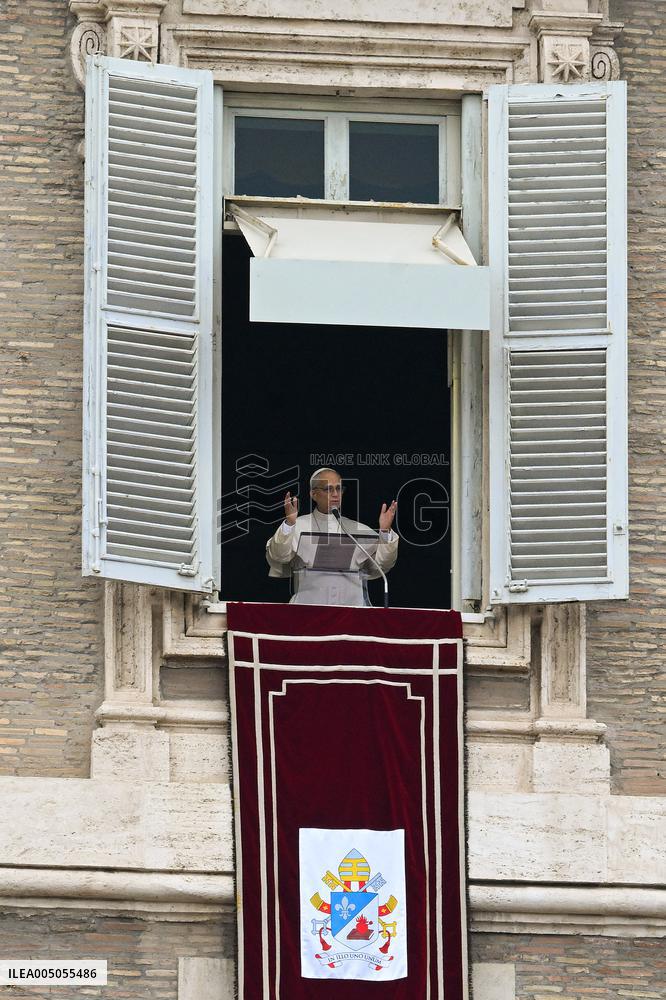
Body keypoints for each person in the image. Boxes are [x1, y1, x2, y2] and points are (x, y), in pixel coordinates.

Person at [266, 467, 399, 606]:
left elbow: (382, 564)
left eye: (339, 488)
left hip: (352, 610)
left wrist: (385, 531)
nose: (335, 494)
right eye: (328, 489)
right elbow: (278, 556)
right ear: (313, 494)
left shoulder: (359, 529)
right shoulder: (298, 526)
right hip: (307, 609)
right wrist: (289, 524)